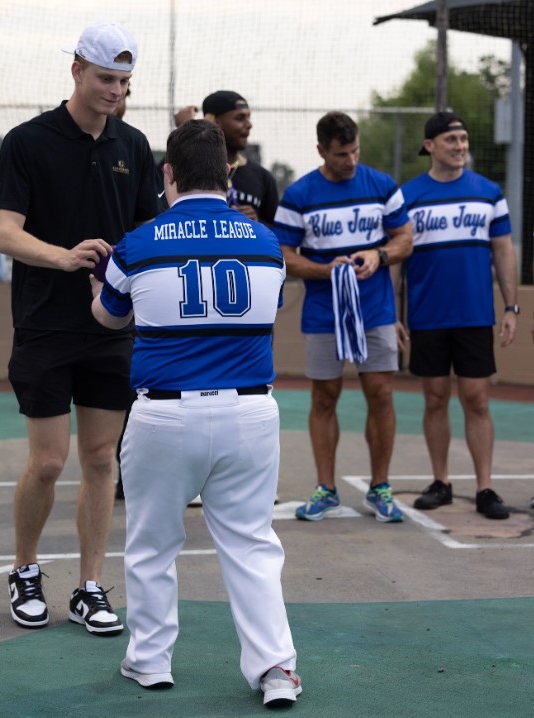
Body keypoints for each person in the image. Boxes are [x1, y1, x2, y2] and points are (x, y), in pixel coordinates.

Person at [91, 119, 301, 708]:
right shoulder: (264, 242)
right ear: (229, 173)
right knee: (252, 545)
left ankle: (150, 662)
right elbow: (270, 306)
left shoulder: (138, 242)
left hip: (164, 416)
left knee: (153, 544)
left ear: (168, 174)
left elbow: (107, 318)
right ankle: (276, 670)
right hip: (250, 412)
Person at [0, 22, 162, 634]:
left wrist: (123, 275)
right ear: (77, 72)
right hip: (44, 325)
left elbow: (147, 233)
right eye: (106, 78)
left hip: (110, 328)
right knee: (48, 462)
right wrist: (66, 258)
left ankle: (90, 586)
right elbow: (5, 232)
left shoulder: (134, 146)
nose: (115, 90)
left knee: (99, 460)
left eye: (123, 81)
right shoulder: (28, 141)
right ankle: (25, 570)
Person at [273, 111, 413, 523]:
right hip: (323, 313)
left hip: (376, 311)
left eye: (354, 151)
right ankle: (325, 488)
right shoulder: (300, 194)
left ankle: (381, 487)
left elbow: (405, 238)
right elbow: (283, 254)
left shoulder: (382, 184)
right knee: (323, 397)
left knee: (381, 394)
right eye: (340, 154)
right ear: (321, 150)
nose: (350, 160)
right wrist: (325, 271)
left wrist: (379, 254)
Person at [398, 111, 518, 520]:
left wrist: (511, 306)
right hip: (428, 315)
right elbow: (396, 260)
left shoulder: (488, 192)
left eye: (464, 139)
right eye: (452, 140)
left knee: (476, 399)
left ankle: (485, 487)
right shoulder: (408, 196)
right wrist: (394, 314)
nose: (461, 146)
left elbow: (503, 251)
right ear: (430, 146)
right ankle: (441, 481)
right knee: (434, 398)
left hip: (474, 315)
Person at [199, 91, 279, 226]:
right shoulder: (189, 170)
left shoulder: (263, 177)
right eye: (240, 118)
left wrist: (256, 224)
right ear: (214, 122)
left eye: (248, 117)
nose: (249, 125)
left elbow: (279, 235)